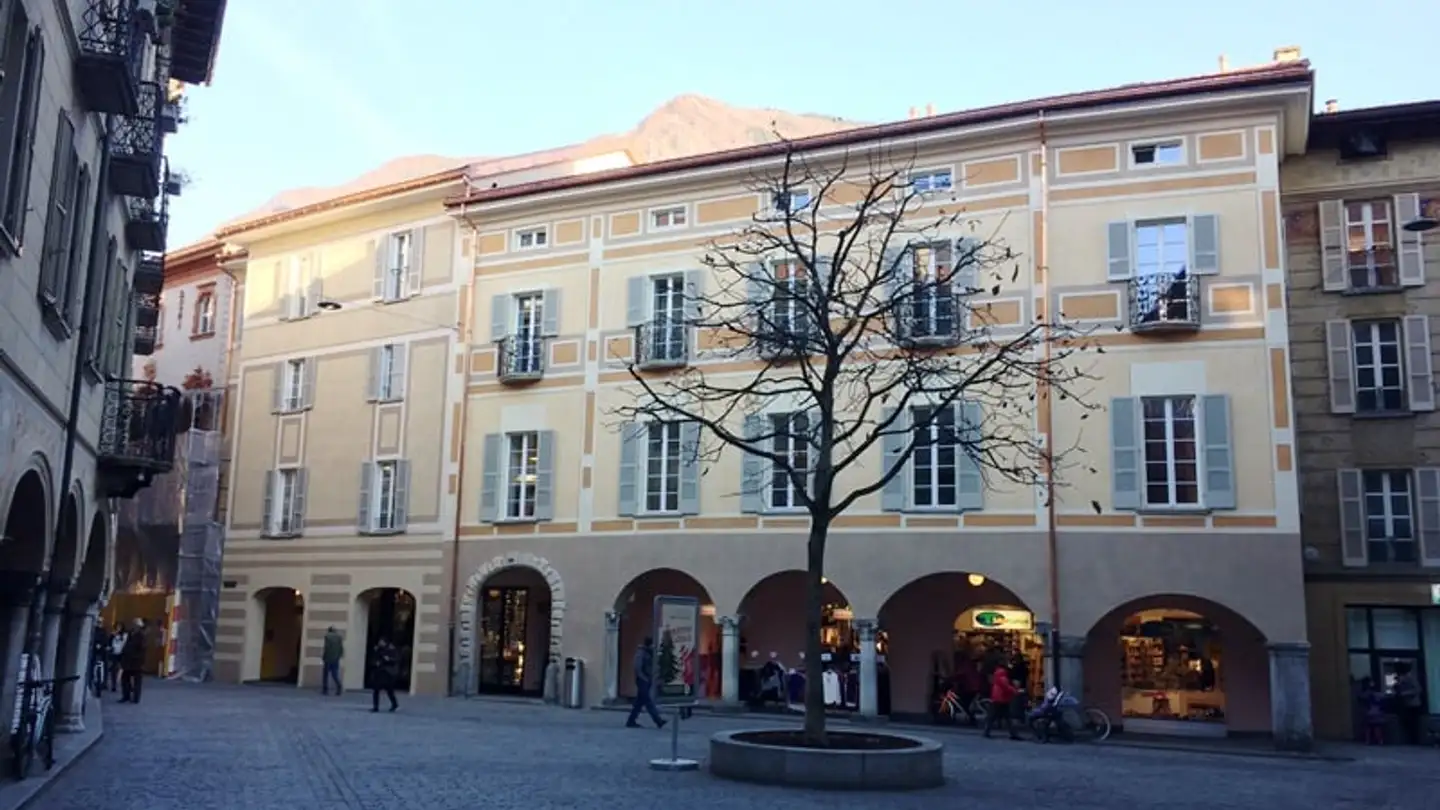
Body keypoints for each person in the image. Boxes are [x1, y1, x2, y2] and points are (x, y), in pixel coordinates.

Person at [626, 636, 666, 729]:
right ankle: (658, 721)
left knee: (639, 703)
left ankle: (631, 721)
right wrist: (644, 678)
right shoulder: (641, 653)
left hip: (646, 680)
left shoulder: (648, 653)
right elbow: (637, 667)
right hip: (642, 680)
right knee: (648, 702)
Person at [984, 663, 1021, 740]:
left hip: (997, 698)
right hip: (1002, 699)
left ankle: (987, 731)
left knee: (993, 717)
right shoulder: (1003, 676)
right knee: (1007, 717)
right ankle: (1013, 733)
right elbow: (1006, 687)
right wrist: (1015, 691)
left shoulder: (997, 675)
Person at [1392, 664, 1424, 744]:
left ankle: (1414, 741)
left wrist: (1404, 693)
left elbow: (1418, 689)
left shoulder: (1411, 678)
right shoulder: (1401, 679)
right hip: (1406, 704)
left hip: (1413, 704)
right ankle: (1410, 740)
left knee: (1412, 723)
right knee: (1407, 723)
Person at [119, 619, 147, 704]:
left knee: (137, 681)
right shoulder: (130, 634)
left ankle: (136, 698)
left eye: (135, 625)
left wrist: (137, 658)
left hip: (136, 662)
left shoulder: (141, 636)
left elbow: (142, 649)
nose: (133, 626)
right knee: (125, 678)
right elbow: (127, 645)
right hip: (128, 661)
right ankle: (126, 696)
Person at [370, 638, 399, 712]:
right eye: (379, 642)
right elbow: (374, 658)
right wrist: (375, 663)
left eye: (381, 642)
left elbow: (395, 660)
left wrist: (388, 659)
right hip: (379, 672)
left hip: (387, 673)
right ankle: (375, 707)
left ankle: (394, 704)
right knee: (376, 690)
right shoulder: (378, 649)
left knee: (389, 690)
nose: (380, 643)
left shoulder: (391, 649)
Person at [1358, 677, 1386, 745]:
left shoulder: (1367, 693)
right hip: (1378, 711)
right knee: (1377, 727)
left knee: (1368, 727)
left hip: (1370, 711)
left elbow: (1361, 698)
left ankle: (1368, 741)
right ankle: (1380, 741)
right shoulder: (1380, 694)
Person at [321, 627, 344, 696]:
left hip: (328, 658)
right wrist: (339, 656)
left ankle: (325, 689)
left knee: (325, 675)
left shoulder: (327, 636)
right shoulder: (339, 637)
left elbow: (327, 647)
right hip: (336, 658)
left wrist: (324, 656)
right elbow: (341, 648)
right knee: (335, 674)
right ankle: (339, 686)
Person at [107, 622, 127, 692]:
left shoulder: (124, 635)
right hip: (114, 653)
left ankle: (117, 682)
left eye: (120, 627)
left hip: (121, 654)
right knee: (113, 670)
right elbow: (109, 643)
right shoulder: (112, 634)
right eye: (117, 627)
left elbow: (125, 643)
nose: (118, 628)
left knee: (120, 669)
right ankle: (114, 684)